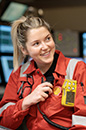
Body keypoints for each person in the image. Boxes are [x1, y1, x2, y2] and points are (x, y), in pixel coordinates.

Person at [0, 15, 86, 130]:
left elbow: (83, 120)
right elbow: (4, 123)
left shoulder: (77, 69)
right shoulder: (18, 75)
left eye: (48, 39)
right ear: (24, 50)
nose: (45, 47)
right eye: (36, 43)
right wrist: (26, 102)